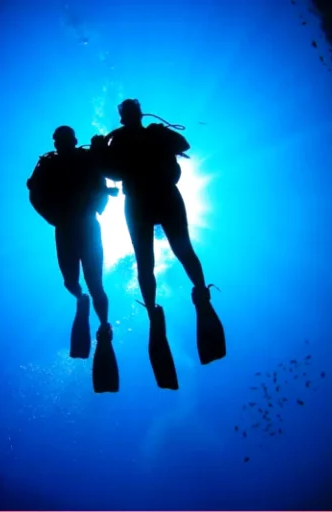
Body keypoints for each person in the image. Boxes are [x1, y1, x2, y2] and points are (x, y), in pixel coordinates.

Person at [91, 99, 226, 391]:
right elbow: (183, 145)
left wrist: (102, 149)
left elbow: (110, 170)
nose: (129, 115)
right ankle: (193, 298)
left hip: (146, 198)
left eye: (129, 111)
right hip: (156, 196)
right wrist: (105, 149)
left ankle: (162, 308)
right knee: (168, 255)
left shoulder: (129, 138)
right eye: (128, 112)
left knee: (159, 258)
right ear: (134, 114)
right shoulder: (137, 136)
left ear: (130, 115)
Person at [27, 125, 120, 393]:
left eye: (64, 140)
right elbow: (33, 191)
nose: (61, 144)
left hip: (86, 225)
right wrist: (52, 217)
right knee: (70, 281)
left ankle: (104, 326)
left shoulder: (85, 158)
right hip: (65, 227)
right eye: (58, 140)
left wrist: (99, 206)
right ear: (55, 142)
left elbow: (103, 177)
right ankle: (81, 300)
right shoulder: (47, 163)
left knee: (95, 282)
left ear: (73, 140)